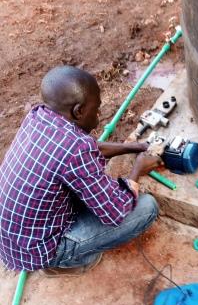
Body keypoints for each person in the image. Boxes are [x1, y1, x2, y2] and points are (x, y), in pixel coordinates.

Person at [0, 66, 161, 276]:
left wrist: (134, 147)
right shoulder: (75, 150)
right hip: (37, 251)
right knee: (146, 208)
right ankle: (63, 262)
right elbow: (117, 211)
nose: (99, 114)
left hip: (15, 238)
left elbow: (86, 148)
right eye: (96, 108)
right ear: (78, 111)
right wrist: (138, 168)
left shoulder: (38, 117)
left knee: (88, 188)